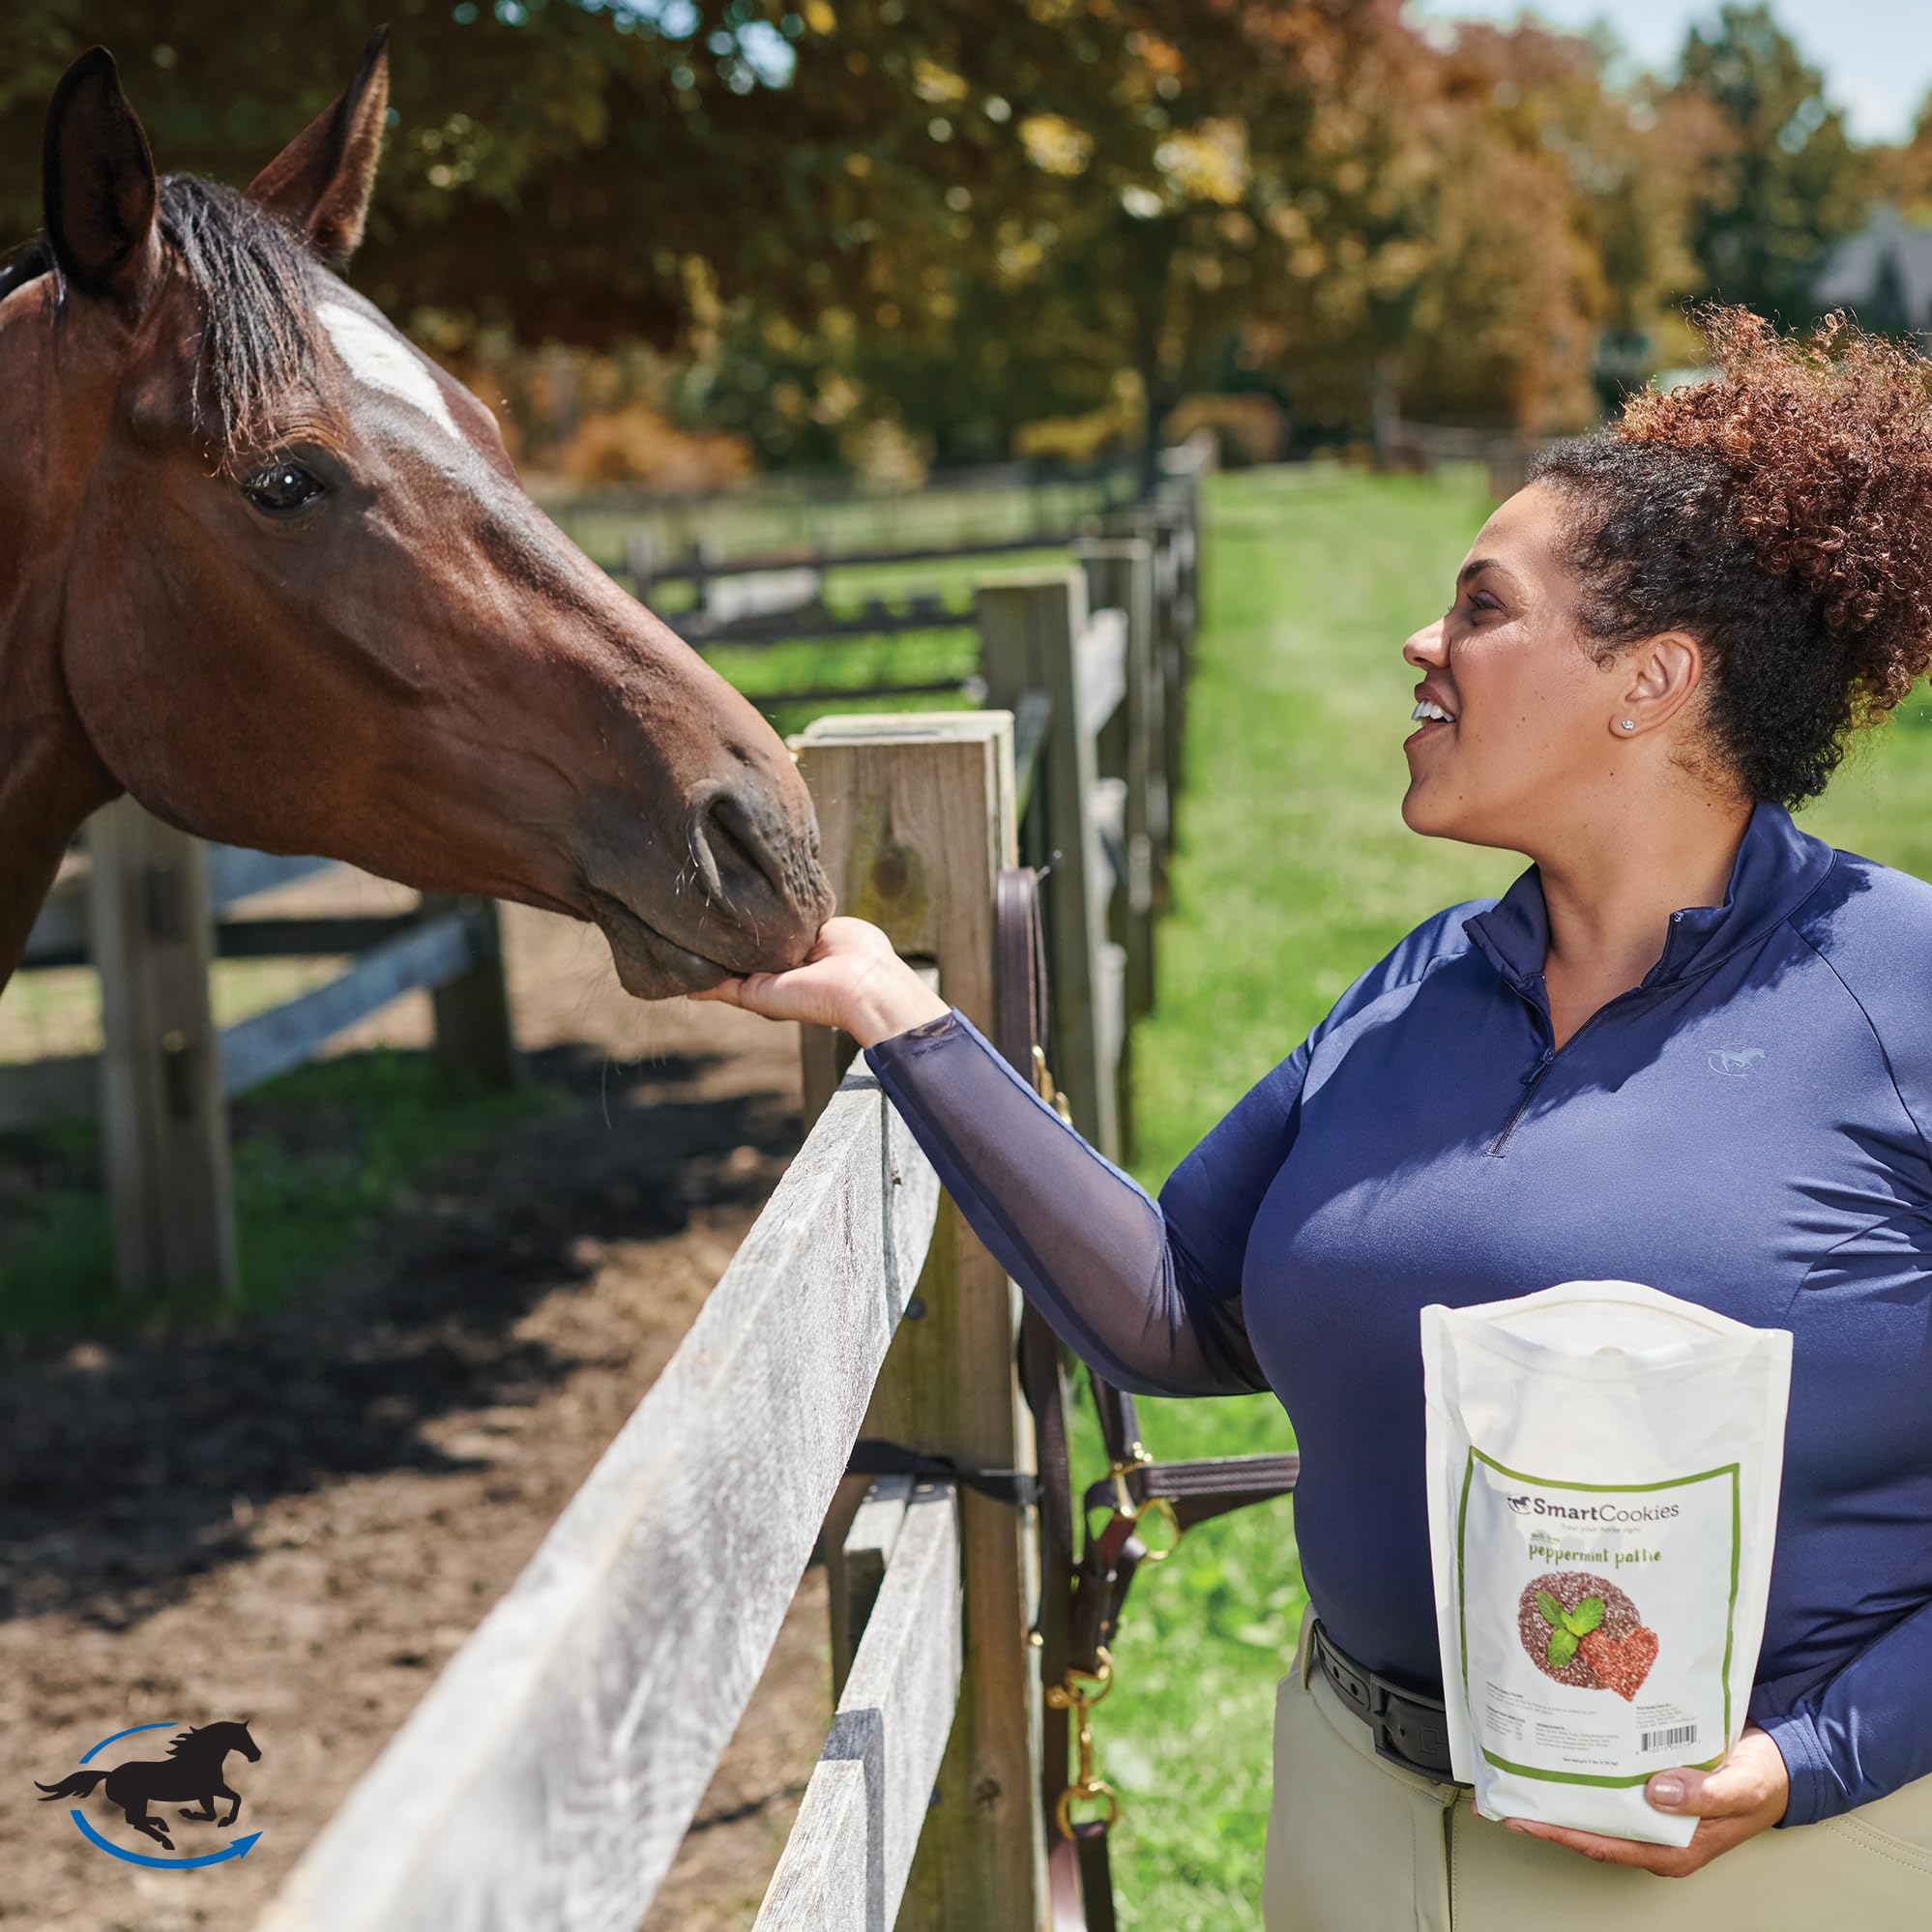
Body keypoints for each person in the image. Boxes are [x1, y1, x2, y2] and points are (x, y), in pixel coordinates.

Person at [690, 304, 1932, 1927]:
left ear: (1651, 680)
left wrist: (1816, 1756)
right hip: (1352, 1817)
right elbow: (1172, 1309)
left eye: (1481, 610)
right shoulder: (1425, 979)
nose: (1421, 643)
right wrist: (902, 1020)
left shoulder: (1893, 994)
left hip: (1756, 1866)